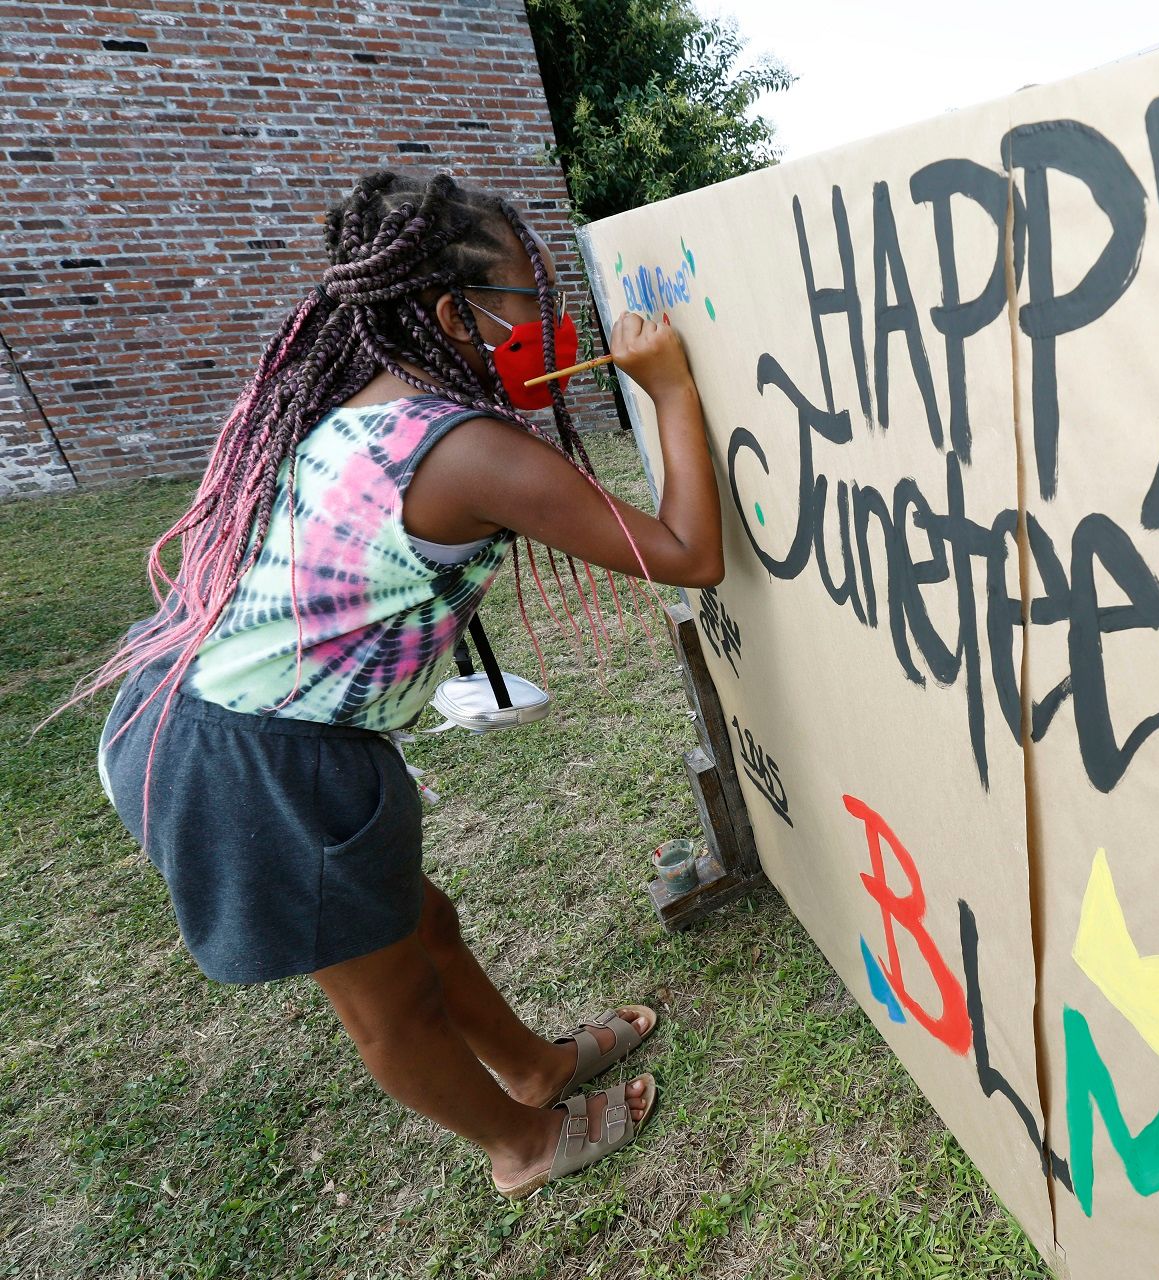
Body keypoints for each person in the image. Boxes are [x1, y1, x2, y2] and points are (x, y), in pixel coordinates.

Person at [79, 170, 722, 1198]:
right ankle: (521, 1141)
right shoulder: (468, 451)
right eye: (527, 299)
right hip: (248, 763)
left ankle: (535, 1063)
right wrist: (674, 388)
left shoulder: (362, 403)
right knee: (392, 1005)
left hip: (235, 722)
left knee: (425, 924)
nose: (551, 321)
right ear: (449, 315)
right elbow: (687, 552)